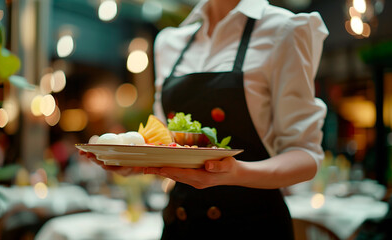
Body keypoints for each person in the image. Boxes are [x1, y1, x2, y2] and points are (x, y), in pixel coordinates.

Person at [80, 0, 328, 239]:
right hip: (180, 225)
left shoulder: (285, 29)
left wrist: (236, 172)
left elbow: (305, 155)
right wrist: (133, 165)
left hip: (252, 227)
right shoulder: (169, 42)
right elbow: (166, 147)